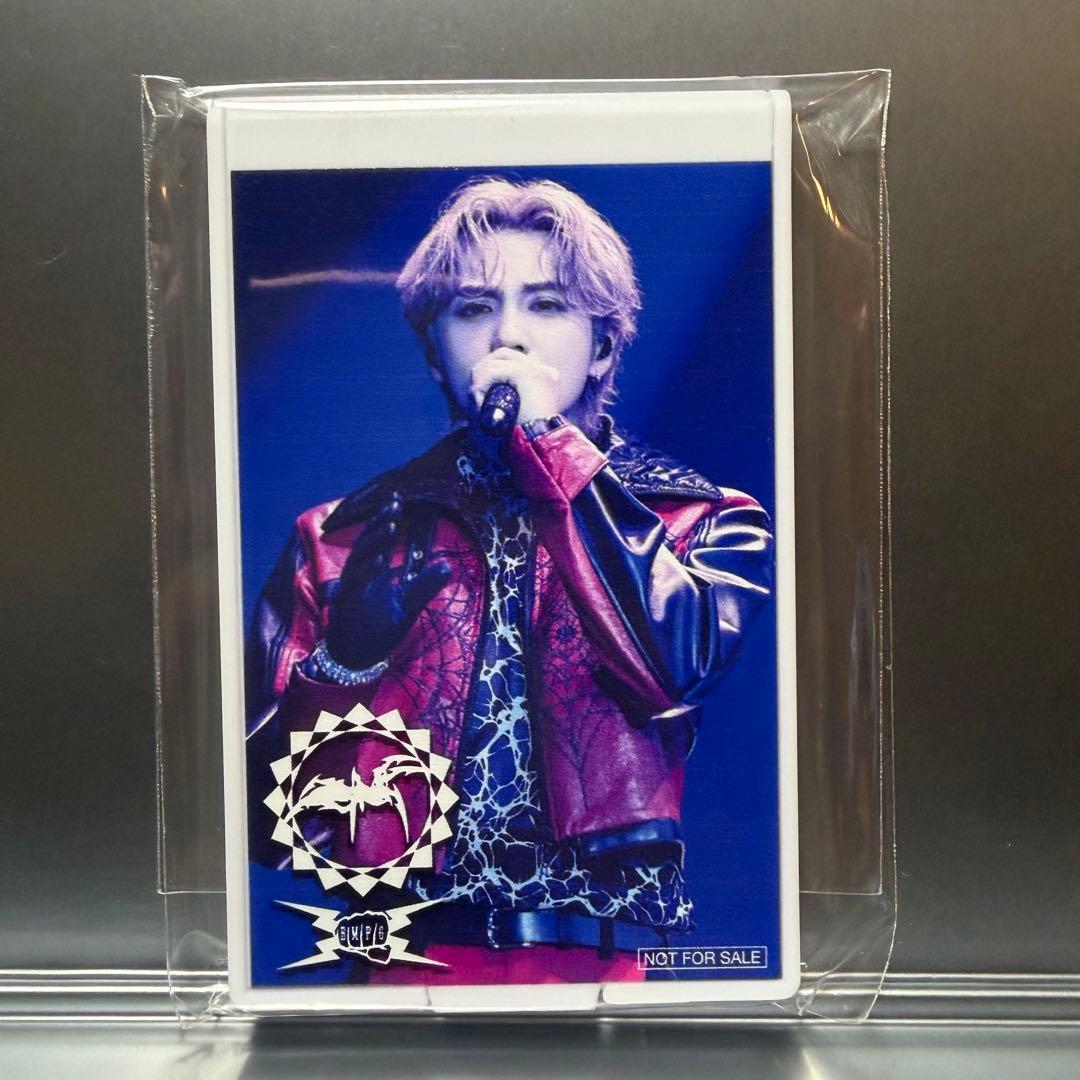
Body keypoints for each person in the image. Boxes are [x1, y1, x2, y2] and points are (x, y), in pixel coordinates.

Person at [245, 177, 773, 985]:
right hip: (405, 965)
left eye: (548, 305)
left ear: (604, 346)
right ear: (434, 350)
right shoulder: (340, 539)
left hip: (602, 970)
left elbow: (672, 666)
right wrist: (341, 667)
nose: (507, 336)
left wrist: (549, 445)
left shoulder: (702, 521)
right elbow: (257, 820)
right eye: (472, 308)